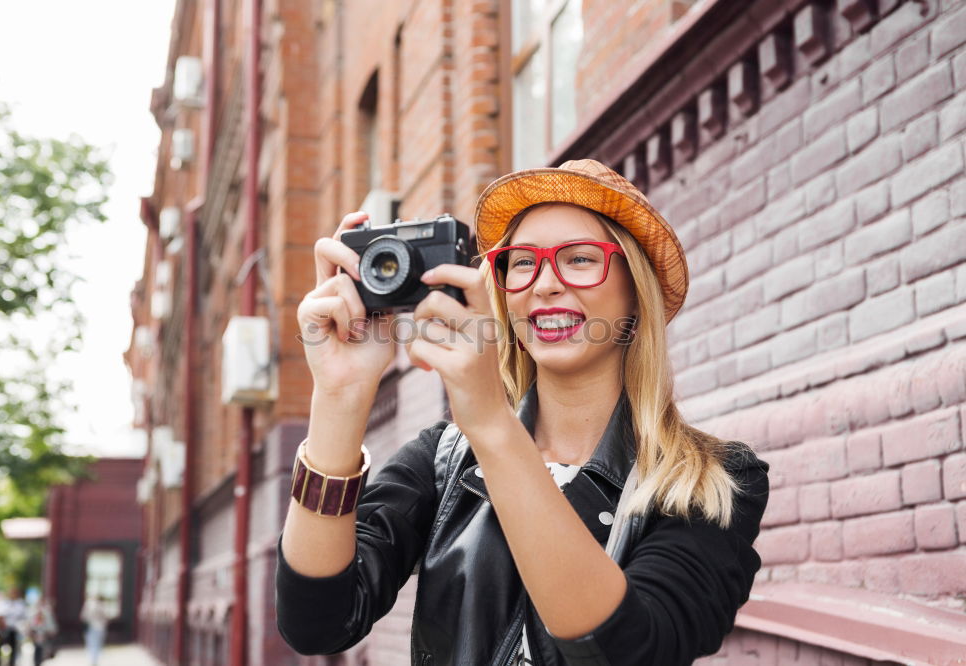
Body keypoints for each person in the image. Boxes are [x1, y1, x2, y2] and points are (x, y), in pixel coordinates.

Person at [276, 159, 770, 665]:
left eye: (579, 259)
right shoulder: (445, 462)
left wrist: (493, 425)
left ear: (635, 291)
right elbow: (317, 623)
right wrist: (338, 399)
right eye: (523, 262)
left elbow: (629, 650)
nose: (545, 284)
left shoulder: (715, 480)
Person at [0, 589, 26, 666]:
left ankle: (12, 663)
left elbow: (23, 616)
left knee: (13, 649)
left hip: (14, 629)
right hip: (3, 629)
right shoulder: (4, 603)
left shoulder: (20, 604)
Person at [80, 594, 111, 666]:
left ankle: (92, 660)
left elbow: (83, 617)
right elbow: (107, 617)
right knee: (97, 644)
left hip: (92, 627)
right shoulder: (102, 606)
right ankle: (94, 660)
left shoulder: (88, 605)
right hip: (100, 627)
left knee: (91, 644)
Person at [27, 598, 57, 666]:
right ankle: (37, 662)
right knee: (37, 649)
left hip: (44, 633)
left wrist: (51, 630)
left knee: (43, 649)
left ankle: (39, 661)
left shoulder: (46, 612)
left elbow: (50, 624)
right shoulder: (33, 613)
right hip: (36, 633)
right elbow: (30, 624)